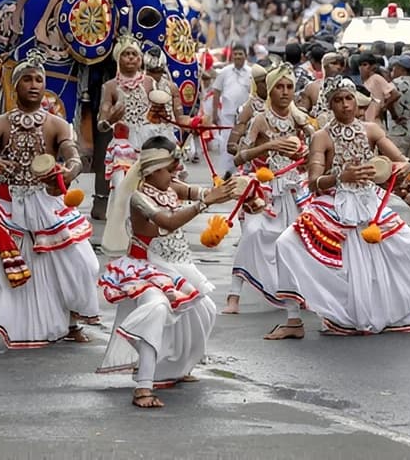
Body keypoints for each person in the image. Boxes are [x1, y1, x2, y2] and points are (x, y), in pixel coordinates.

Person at [263, 76, 410, 338]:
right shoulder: (322, 137)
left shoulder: (372, 130)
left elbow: (401, 162)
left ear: (357, 101)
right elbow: (313, 183)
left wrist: (406, 170)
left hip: (370, 204)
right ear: (329, 105)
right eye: (338, 100)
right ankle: (294, 319)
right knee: (285, 244)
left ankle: (405, 310)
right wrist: (341, 177)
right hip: (334, 204)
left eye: (349, 99)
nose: (345, 105)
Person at [0, 52, 99, 352]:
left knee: (83, 262)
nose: (34, 84)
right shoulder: (2, 121)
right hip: (7, 206)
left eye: (39, 79)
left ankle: (72, 321)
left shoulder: (58, 124)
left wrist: (67, 172)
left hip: (47, 205)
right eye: (28, 79)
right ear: (15, 85)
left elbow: (74, 158)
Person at [99, 136, 234, 408]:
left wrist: (232, 189)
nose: (176, 171)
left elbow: (199, 192)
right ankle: (144, 387)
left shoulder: (172, 186)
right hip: (146, 267)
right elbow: (168, 222)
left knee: (204, 308)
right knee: (157, 309)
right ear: (151, 170)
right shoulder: (139, 197)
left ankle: (174, 368)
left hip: (174, 267)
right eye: (169, 167)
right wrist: (206, 202)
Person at [223, 64, 312, 314]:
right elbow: (240, 157)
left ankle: (300, 293)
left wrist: (307, 155)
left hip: (294, 188)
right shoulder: (260, 119)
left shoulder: (301, 120)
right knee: (252, 233)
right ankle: (234, 295)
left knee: (297, 241)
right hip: (264, 189)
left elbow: (317, 150)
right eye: (279, 87)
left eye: (290, 87)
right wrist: (270, 146)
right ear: (270, 91)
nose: (285, 92)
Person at [99, 38, 155, 215]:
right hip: (122, 145)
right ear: (118, 58)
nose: (130, 58)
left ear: (140, 59)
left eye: (134, 54)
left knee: (146, 189)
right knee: (121, 188)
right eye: (125, 54)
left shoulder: (149, 82)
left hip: (147, 142)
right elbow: (103, 116)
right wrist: (107, 121)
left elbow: (160, 112)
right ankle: (117, 234)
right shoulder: (110, 86)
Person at [211, 44, 253, 175]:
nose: (238, 56)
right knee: (226, 144)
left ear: (246, 56)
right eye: (236, 54)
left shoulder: (251, 72)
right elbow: (216, 91)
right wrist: (214, 113)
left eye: (241, 54)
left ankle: (240, 172)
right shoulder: (225, 72)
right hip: (227, 115)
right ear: (232, 56)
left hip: (245, 117)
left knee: (244, 142)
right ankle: (227, 172)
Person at [386, 55, 410, 159]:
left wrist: (394, 116)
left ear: (401, 68)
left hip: (397, 130)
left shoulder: (394, 83)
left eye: (395, 68)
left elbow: (389, 101)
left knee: (397, 160)